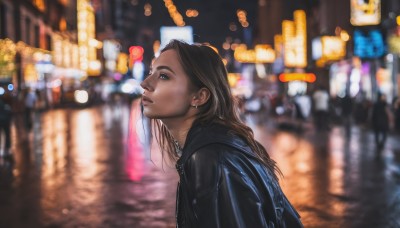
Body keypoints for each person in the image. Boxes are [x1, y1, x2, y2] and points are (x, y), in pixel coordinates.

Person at [140, 40, 303, 227]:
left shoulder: (211, 158)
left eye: (163, 76)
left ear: (199, 97)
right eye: (151, 73)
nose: (145, 83)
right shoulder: (215, 146)